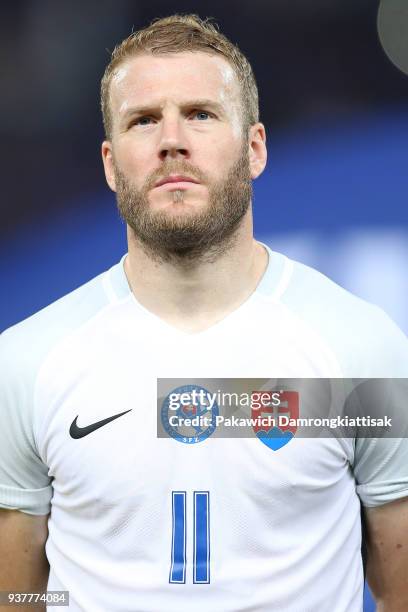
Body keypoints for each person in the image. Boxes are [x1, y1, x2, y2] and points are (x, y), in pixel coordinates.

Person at [0, 13, 407, 612]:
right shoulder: (27, 360)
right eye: (144, 120)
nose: (171, 140)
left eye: (200, 114)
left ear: (255, 149)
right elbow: (17, 595)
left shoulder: (360, 344)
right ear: (112, 165)